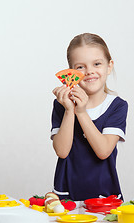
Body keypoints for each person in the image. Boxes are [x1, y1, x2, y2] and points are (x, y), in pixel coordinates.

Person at [51, 33, 128, 201]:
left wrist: (81, 112)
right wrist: (70, 110)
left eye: (97, 64)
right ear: (71, 72)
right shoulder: (61, 105)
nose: (89, 72)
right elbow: (62, 151)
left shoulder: (117, 106)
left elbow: (103, 151)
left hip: (106, 197)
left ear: (109, 66)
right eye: (80, 67)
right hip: (66, 197)